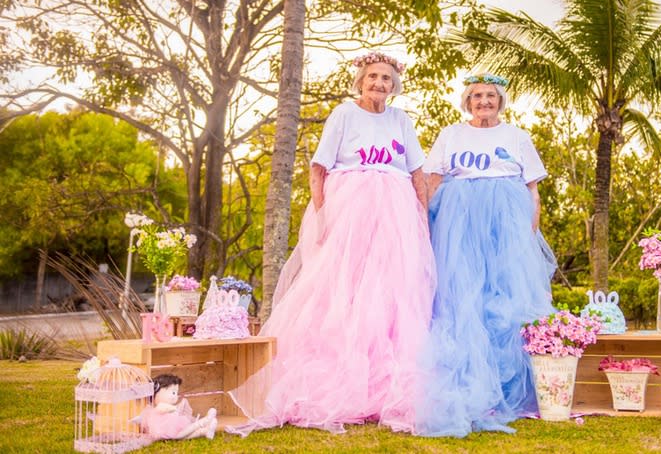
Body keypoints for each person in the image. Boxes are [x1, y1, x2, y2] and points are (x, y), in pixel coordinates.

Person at [229, 52, 436, 435]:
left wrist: (421, 216)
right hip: (351, 208)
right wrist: (323, 214)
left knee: (390, 294)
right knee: (341, 290)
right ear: (360, 81)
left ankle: (383, 388)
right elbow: (318, 168)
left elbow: (417, 171)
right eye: (372, 77)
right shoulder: (344, 114)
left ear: (395, 85)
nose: (379, 83)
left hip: (394, 214)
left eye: (386, 79)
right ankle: (335, 381)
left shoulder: (400, 120)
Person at [414, 74, 556, 437]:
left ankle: (509, 389)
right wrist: (430, 224)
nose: (484, 102)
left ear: (501, 101)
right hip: (460, 224)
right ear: (467, 101)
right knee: (462, 299)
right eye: (476, 96)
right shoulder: (451, 134)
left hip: (505, 225)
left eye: (490, 96)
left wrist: (529, 234)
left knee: (505, 302)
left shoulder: (517, 137)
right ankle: (465, 382)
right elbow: (432, 179)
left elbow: (532, 190)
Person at [139, 374, 217, 440]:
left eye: (176, 393)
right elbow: (164, 408)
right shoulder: (159, 406)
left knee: (184, 435)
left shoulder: (164, 407)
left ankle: (205, 431)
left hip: (172, 429)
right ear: (158, 392)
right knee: (182, 434)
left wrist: (175, 409)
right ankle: (205, 421)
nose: (175, 396)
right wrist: (174, 408)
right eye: (173, 392)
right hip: (166, 430)